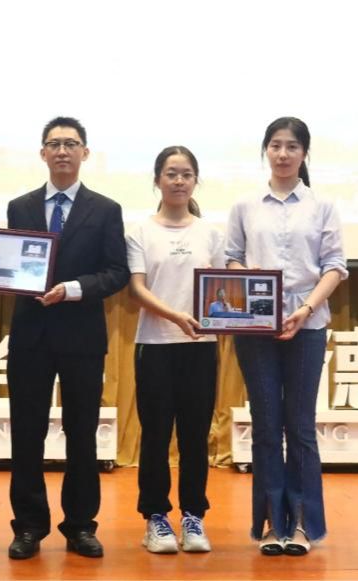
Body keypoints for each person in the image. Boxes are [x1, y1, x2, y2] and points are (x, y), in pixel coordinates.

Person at [5, 117, 131, 560]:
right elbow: (9, 265)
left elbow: (116, 272)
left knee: (82, 434)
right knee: (27, 434)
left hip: (82, 337)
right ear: (43, 152)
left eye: (71, 143)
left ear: (85, 153)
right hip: (30, 335)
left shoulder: (106, 209)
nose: (62, 151)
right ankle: (29, 526)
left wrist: (74, 289)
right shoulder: (19, 207)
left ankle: (80, 526)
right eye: (54, 144)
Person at [225, 117, 347, 556]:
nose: (282, 154)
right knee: (265, 427)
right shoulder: (245, 205)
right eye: (275, 145)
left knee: (300, 428)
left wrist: (306, 309)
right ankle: (271, 525)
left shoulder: (322, 205)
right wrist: (248, 278)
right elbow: (231, 258)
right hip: (255, 327)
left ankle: (302, 525)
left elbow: (335, 266)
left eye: (291, 146)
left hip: (307, 324)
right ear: (266, 151)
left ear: (304, 153)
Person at [125, 146, 224, 554]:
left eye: (186, 174)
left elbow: (224, 289)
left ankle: (193, 517)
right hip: (155, 345)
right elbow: (136, 289)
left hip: (201, 347)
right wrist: (175, 316)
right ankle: (155, 518)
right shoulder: (139, 231)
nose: (179, 181)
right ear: (157, 180)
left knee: (195, 436)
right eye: (171, 173)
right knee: (155, 435)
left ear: (195, 180)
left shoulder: (211, 233)